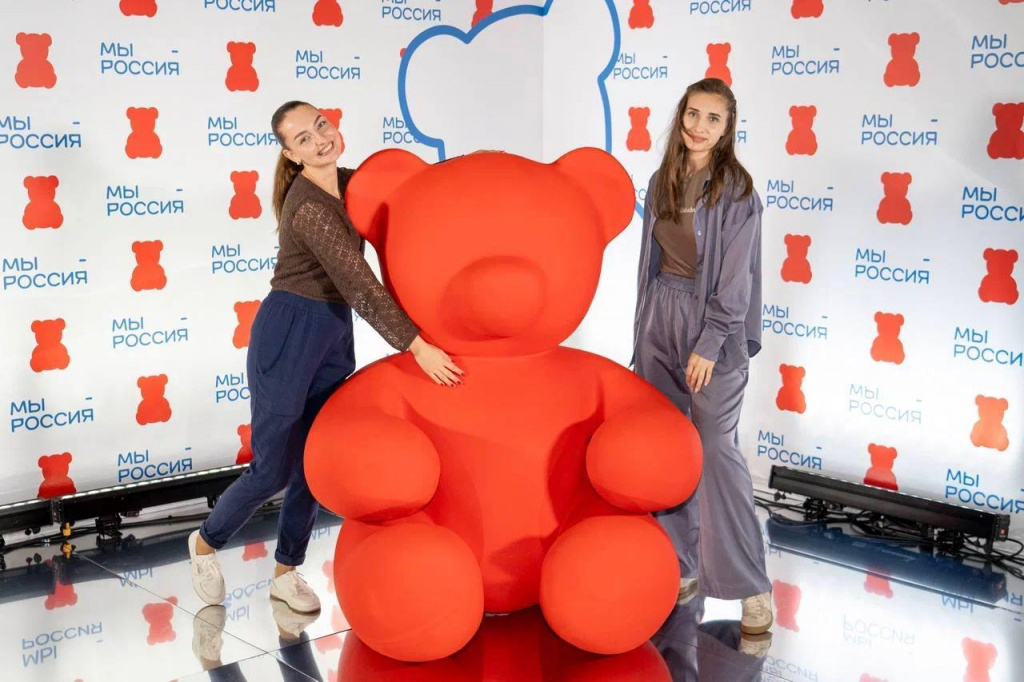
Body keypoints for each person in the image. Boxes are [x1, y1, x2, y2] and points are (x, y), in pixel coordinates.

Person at [187, 101, 463, 613]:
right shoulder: (310, 207)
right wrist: (416, 345)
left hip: (331, 330)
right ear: (291, 155)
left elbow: (408, 198)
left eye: (321, 126)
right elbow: (358, 284)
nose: (320, 139)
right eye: (304, 139)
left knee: (314, 463)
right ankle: (205, 543)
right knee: (272, 470)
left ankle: (286, 572)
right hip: (289, 332)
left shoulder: (352, 183)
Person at [632, 78, 773, 634]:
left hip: (712, 327)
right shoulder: (660, 179)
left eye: (713, 118)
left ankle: (751, 587)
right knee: (668, 449)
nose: (699, 126)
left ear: (727, 127)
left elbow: (737, 283)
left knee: (715, 451)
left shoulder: (737, 191)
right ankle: (681, 566)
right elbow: (650, 267)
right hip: (660, 318)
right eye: (693, 113)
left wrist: (709, 343)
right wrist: (643, 333)